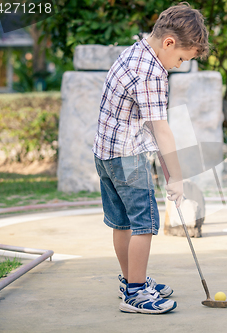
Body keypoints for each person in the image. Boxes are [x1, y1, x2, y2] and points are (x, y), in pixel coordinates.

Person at [92, 3, 210, 314]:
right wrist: (178, 177)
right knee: (143, 226)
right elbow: (161, 129)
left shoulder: (135, 52)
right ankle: (135, 294)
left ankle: (133, 280)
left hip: (105, 154)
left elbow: (144, 122)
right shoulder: (152, 73)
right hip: (128, 158)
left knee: (122, 222)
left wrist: (166, 168)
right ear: (169, 43)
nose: (180, 65)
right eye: (182, 58)